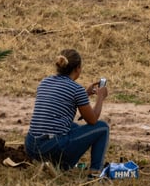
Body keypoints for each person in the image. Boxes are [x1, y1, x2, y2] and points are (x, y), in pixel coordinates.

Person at [25, 48, 109, 178]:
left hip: (31, 146)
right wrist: (100, 97)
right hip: (52, 147)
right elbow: (92, 120)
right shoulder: (76, 89)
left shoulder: (44, 82)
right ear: (78, 69)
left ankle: (58, 164)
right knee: (102, 127)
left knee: (73, 126)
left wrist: (85, 94)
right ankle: (95, 172)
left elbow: (60, 105)